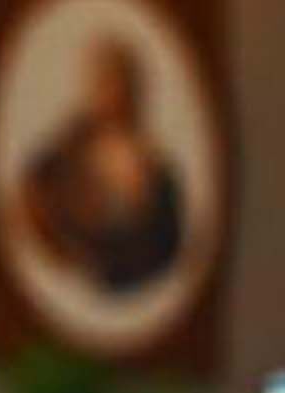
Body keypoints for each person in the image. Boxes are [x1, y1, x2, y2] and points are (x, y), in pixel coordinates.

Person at [14, 38, 187, 295]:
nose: (110, 92)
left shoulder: (157, 166)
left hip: (126, 274)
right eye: (103, 81)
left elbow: (168, 244)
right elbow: (29, 196)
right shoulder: (68, 143)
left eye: (118, 81)